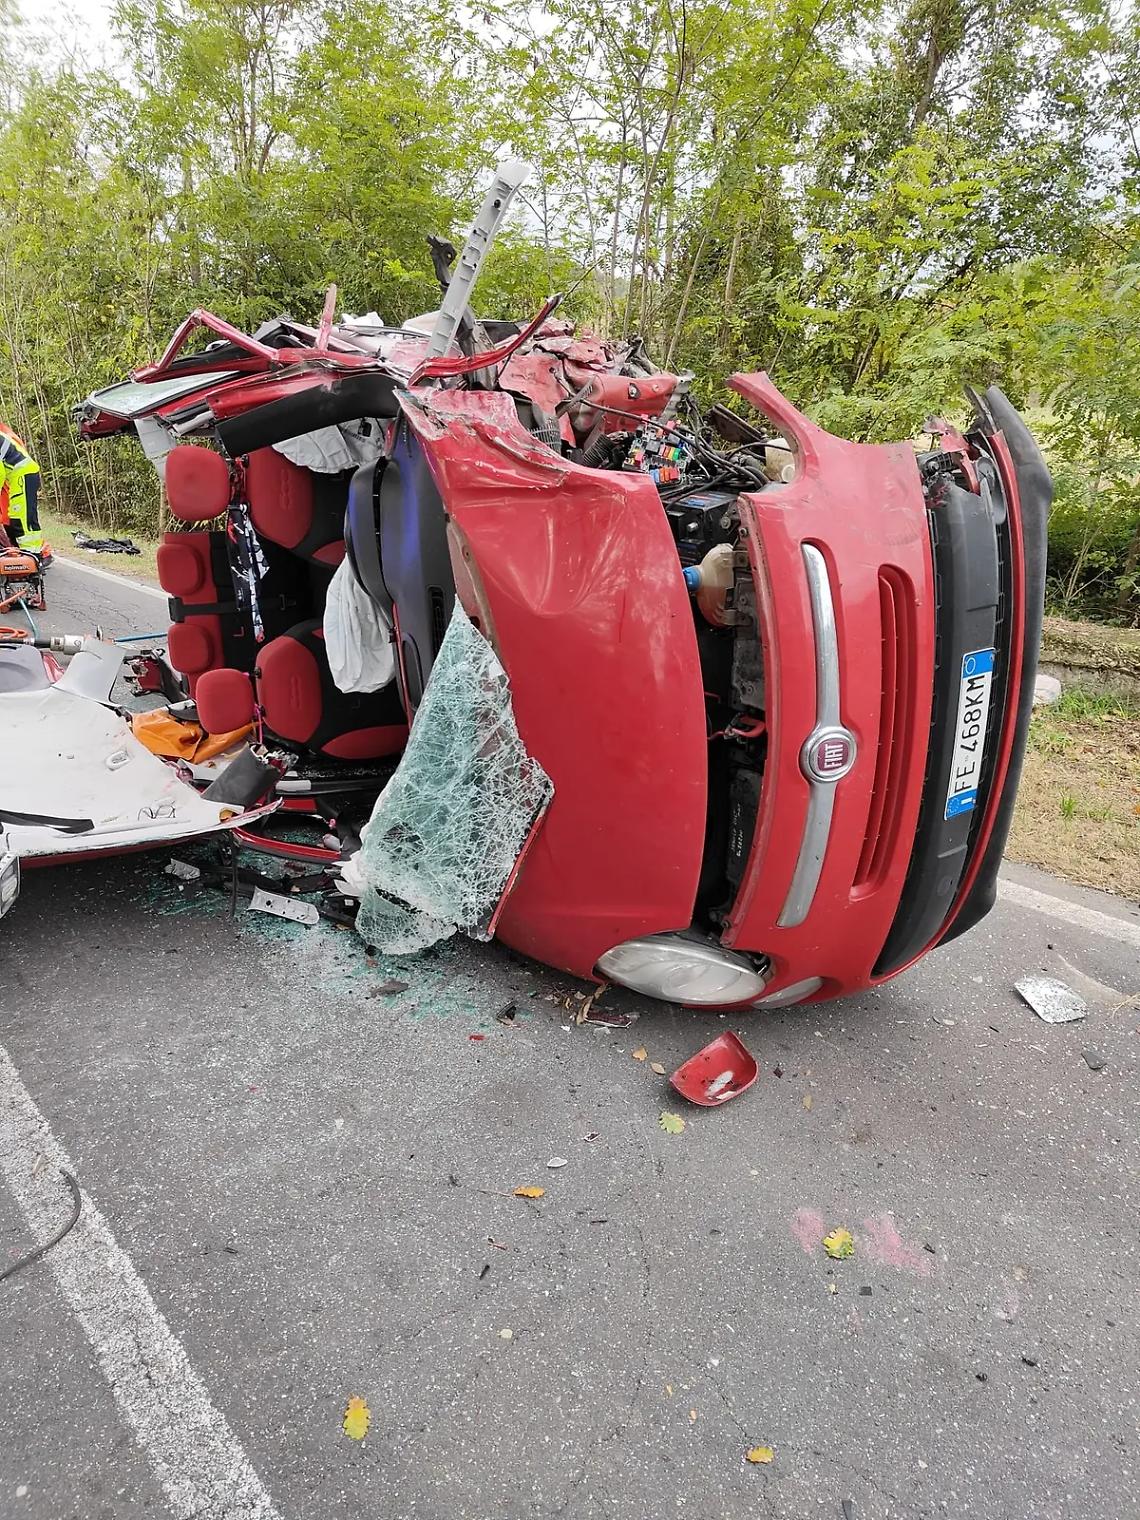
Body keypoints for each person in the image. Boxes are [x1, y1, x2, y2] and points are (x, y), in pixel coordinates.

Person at [0, 424, 42, 553]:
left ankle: (32, 555)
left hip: (23, 474)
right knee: (15, 516)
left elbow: (0, 472)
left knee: (22, 519)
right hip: (17, 475)